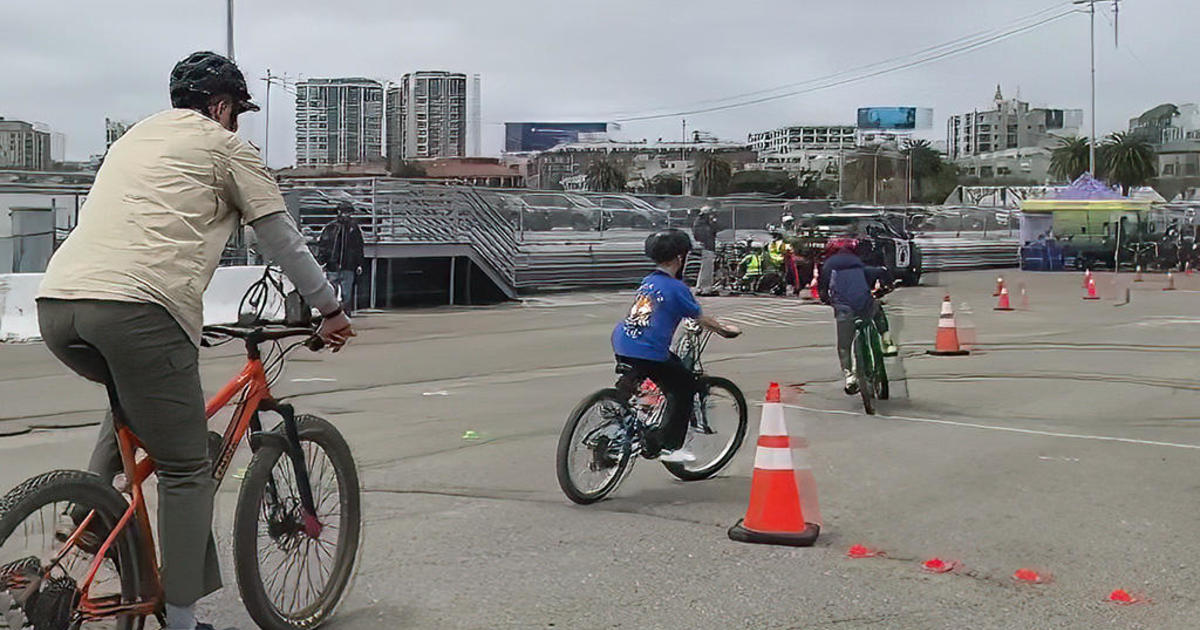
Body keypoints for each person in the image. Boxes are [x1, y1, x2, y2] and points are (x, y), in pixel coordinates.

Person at [36, 51, 354, 630]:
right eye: (237, 112)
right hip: (138, 307)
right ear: (221, 105)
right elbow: (280, 237)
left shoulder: (134, 139)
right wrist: (329, 308)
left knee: (130, 397)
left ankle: (81, 520)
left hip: (58, 303)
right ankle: (180, 620)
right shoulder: (228, 146)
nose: (237, 123)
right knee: (186, 468)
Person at [612, 230, 739, 462]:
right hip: (649, 351)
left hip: (623, 341)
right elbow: (701, 318)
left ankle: (622, 417)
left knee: (646, 379)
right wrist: (724, 330)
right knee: (684, 386)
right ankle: (669, 446)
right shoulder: (677, 289)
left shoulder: (648, 281)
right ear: (681, 258)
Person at [817, 236, 897, 394]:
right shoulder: (860, 264)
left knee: (844, 346)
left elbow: (823, 290)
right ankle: (886, 340)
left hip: (844, 309)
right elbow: (881, 273)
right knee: (877, 308)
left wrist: (826, 299)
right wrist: (887, 286)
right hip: (865, 306)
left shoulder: (827, 267)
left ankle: (850, 376)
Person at [318, 201, 366, 314]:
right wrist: (322, 261)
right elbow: (324, 246)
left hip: (347, 265)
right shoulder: (331, 227)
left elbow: (358, 246)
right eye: (345, 212)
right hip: (333, 265)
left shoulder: (353, 228)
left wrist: (359, 263)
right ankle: (333, 314)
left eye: (348, 213)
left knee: (346, 294)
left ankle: (344, 314)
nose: (347, 215)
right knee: (332, 292)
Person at [691, 206, 720, 296]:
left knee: (706, 267)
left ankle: (701, 287)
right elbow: (709, 233)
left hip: (707, 247)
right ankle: (705, 288)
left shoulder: (701, 223)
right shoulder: (702, 224)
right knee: (707, 268)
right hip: (707, 248)